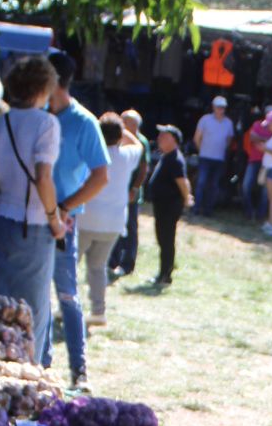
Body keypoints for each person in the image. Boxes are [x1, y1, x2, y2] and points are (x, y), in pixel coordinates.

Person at [0, 55, 64, 363]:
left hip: (2, 219)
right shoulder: (47, 124)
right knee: (32, 316)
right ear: (43, 88)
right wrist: (56, 221)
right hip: (34, 224)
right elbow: (44, 178)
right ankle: (27, 385)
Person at [48, 49, 109, 393]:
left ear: (54, 81)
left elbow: (101, 177)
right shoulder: (37, 116)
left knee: (67, 296)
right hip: (29, 219)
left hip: (63, 224)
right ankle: (38, 367)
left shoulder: (84, 122)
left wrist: (65, 206)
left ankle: (78, 371)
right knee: (32, 299)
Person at [81, 112, 140, 324]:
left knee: (70, 265)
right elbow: (138, 146)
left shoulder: (89, 156)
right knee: (98, 267)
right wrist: (124, 131)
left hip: (85, 219)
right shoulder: (126, 157)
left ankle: (67, 305)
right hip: (113, 223)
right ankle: (98, 310)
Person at [145, 123, 192, 286]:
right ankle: (167, 269)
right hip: (162, 205)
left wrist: (187, 198)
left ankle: (165, 275)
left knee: (166, 239)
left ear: (174, 140)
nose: (159, 139)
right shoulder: (167, 156)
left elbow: (182, 181)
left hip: (169, 206)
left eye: (164, 136)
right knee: (163, 239)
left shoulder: (175, 159)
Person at [109, 108, 147, 278]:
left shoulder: (141, 142)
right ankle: (113, 261)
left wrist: (135, 188)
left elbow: (144, 169)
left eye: (125, 121)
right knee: (115, 225)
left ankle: (128, 263)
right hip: (118, 191)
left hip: (131, 193)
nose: (122, 124)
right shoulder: (119, 140)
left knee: (130, 228)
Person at [192, 94, 234, 216]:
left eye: (223, 107)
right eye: (219, 107)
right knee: (201, 182)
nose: (221, 110)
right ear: (213, 107)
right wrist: (202, 150)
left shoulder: (228, 123)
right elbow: (197, 138)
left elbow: (229, 140)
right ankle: (197, 208)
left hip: (219, 159)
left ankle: (208, 210)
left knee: (214, 185)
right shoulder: (205, 119)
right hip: (205, 157)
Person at [242, 112, 271, 218]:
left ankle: (260, 215)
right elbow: (252, 137)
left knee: (265, 191)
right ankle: (249, 212)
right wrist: (266, 140)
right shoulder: (257, 124)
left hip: (268, 163)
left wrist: (260, 139)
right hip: (253, 160)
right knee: (246, 186)